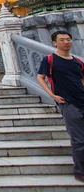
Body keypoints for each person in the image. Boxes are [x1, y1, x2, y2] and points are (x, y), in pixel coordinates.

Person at [37, 31, 84, 183]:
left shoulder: (77, 61)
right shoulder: (50, 59)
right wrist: (52, 95)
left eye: (68, 39)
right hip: (68, 103)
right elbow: (40, 77)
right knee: (78, 140)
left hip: (82, 99)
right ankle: (80, 171)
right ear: (54, 43)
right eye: (62, 40)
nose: (66, 42)